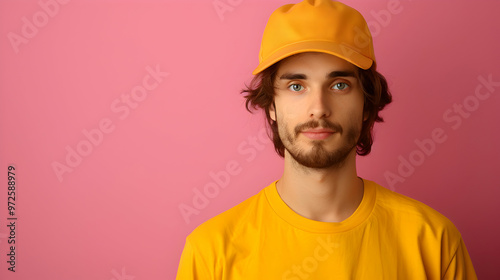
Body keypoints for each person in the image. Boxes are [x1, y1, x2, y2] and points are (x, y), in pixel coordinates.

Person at [176, 0, 477, 279]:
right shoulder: (210, 252)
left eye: (339, 85)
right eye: (296, 86)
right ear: (271, 106)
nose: (318, 108)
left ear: (366, 103)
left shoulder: (433, 241)